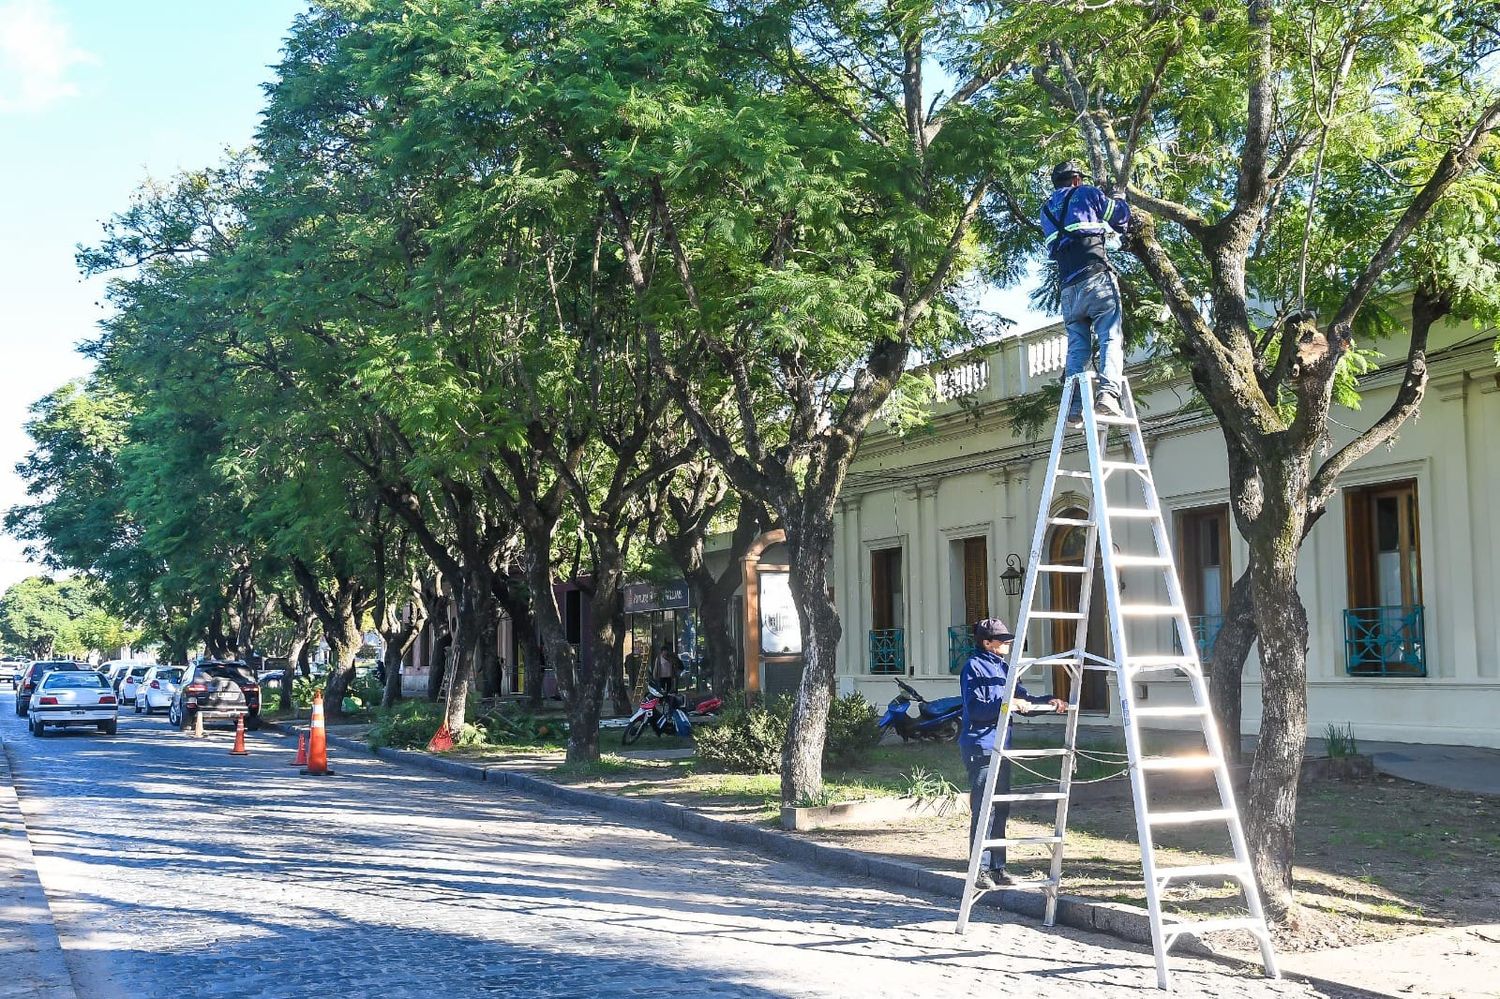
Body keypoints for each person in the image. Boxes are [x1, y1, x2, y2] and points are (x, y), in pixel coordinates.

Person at [959, 618, 1067, 890]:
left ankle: (998, 867)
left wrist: (1049, 701)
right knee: (985, 808)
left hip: (1003, 746)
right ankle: (979, 870)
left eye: (1008, 639)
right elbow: (978, 710)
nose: (1007, 643)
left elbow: (1023, 699)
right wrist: (1008, 704)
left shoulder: (1006, 668)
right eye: (1002, 639)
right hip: (981, 745)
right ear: (987, 643)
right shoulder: (973, 667)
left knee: (1002, 807)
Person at [1039, 161, 1133, 426]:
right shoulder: (1086, 193)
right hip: (1095, 279)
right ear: (1077, 180)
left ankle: (1075, 407)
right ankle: (1108, 395)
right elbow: (1121, 218)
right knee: (1110, 336)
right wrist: (1118, 198)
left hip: (1068, 290)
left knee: (1077, 347)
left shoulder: (1045, 210)